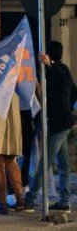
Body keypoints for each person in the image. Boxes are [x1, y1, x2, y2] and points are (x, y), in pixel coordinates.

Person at [25, 41, 77, 212]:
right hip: (61, 122)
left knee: (45, 161)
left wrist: (50, 65)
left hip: (59, 123)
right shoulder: (61, 70)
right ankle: (65, 201)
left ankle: (30, 199)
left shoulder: (59, 70)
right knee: (63, 164)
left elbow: (61, 81)